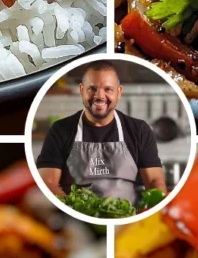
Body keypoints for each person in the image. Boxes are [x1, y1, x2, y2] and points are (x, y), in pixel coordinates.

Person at [36, 62, 166, 204]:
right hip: (75, 217)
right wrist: (74, 209)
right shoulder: (60, 129)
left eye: (108, 89)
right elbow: (47, 182)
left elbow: (154, 180)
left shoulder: (139, 129)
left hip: (127, 217)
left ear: (119, 92)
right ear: (81, 90)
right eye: (92, 88)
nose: (99, 96)